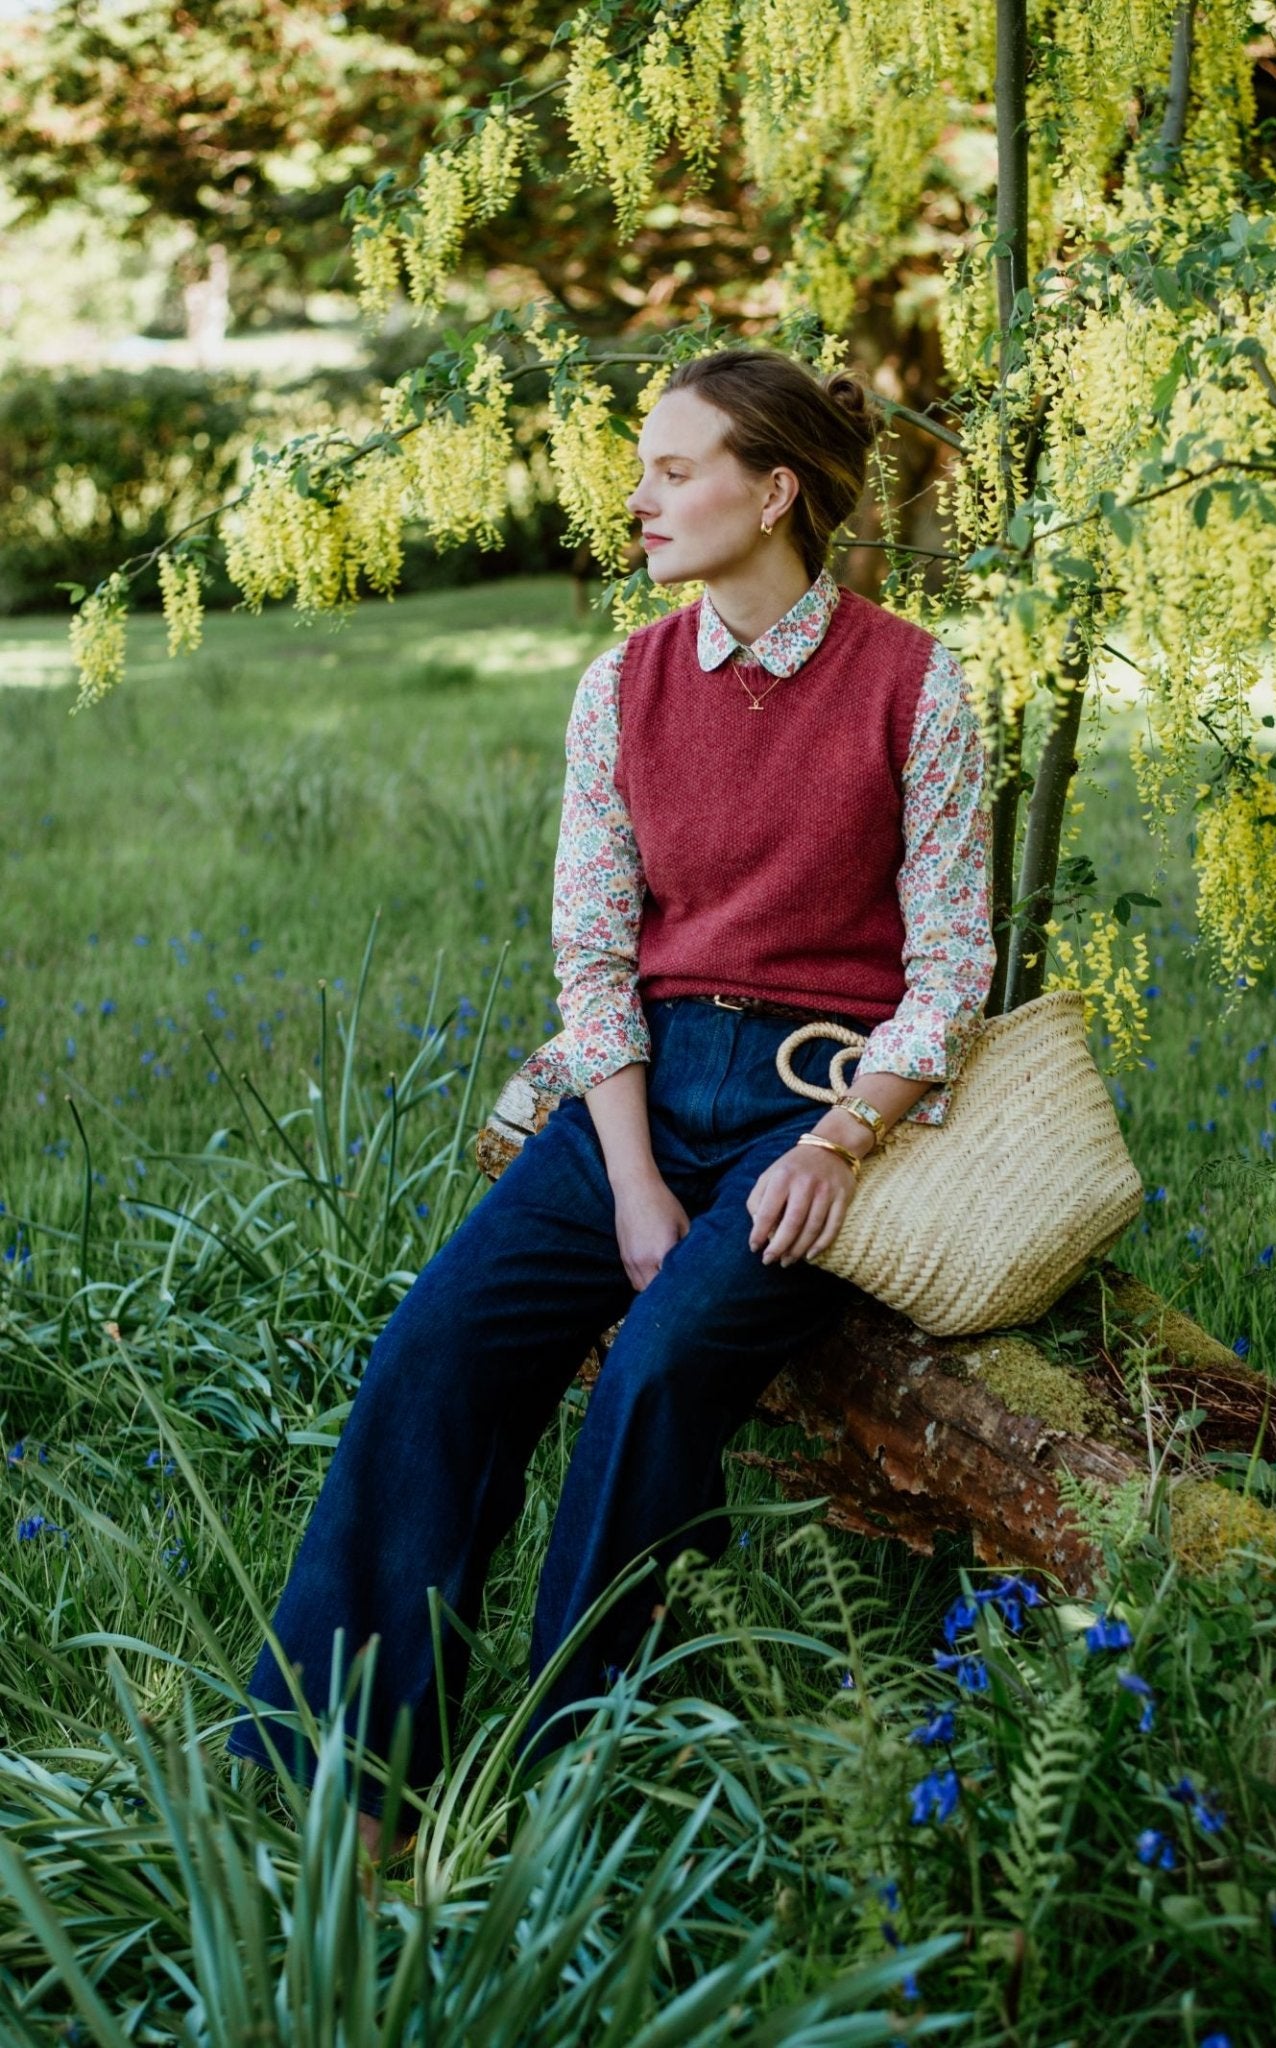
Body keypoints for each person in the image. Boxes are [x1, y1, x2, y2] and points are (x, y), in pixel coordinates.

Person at [225, 346, 994, 1861]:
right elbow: (593, 953)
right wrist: (632, 1183)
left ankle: (569, 1786)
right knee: (438, 1347)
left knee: (654, 1375)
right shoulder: (619, 685)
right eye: (640, 468)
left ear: (774, 493)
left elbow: (953, 964)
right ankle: (348, 1786)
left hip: (815, 1098)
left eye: (673, 468)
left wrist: (844, 1143)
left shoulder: (916, 680)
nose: (635, 498)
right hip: (637, 1083)